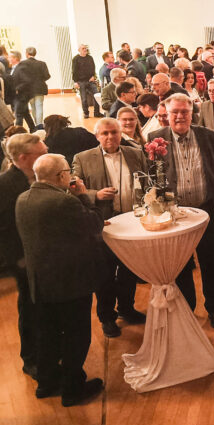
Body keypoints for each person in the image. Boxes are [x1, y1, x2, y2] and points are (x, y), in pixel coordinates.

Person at [16, 153, 104, 406]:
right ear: (60, 176)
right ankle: (73, 389)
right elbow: (95, 224)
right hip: (70, 283)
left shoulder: (23, 199)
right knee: (76, 336)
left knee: (48, 335)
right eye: (67, 171)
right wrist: (83, 195)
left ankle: (47, 382)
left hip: (40, 282)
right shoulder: (63, 202)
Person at [148, 93, 214, 329]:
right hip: (174, 215)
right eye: (175, 112)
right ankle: (187, 311)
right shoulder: (155, 138)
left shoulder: (209, 136)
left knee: (209, 263)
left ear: (192, 114)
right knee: (180, 266)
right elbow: (151, 175)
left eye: (185, 112)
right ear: (167, 114)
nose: (180, 116)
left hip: (205, 211)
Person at [71, 117, 148, 337]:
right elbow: (73, 187)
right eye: (104, 133)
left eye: (114, 132)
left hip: (132, 223)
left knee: (129, 271)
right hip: (102, 226)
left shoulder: (135, 153)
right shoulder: (83, 158)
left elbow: (146, 181)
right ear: (97, 136)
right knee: (104, 275)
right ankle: (107, 317)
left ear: (120, 133)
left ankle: (127, 308)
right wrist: (95, 194)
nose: (110, 137)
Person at [0, 133, 47, 379]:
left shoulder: (39, 176)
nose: (46, 156)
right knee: (30, 309)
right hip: (25, 261)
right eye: (41, 154)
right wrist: (18, 260)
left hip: (46, 258)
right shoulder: (6, 184)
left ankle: (48, 353)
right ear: (23, 158)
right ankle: (31, 360)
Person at [20, 47, 50, 128]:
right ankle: (39, 125)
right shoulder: (42, 63)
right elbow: (47, 76)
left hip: (28, 89)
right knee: (39, 106)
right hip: (40, 88)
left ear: (26, 54)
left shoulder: (22, 64)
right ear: (35, 53)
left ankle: (36, 124)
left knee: (33, 107)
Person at [71, 45, 103, 118]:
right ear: (79, 50)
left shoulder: (90, 58)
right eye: (83, 48)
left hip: (90, 80)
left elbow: (93, 68)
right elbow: (74, 71)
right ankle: (86, 113)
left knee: (96, 95)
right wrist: (75, 82)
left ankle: (97, 112)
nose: (85, 49)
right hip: (81, 81)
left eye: (86, 48)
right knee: (84, 98)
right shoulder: (76, 59)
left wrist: (93, 76)